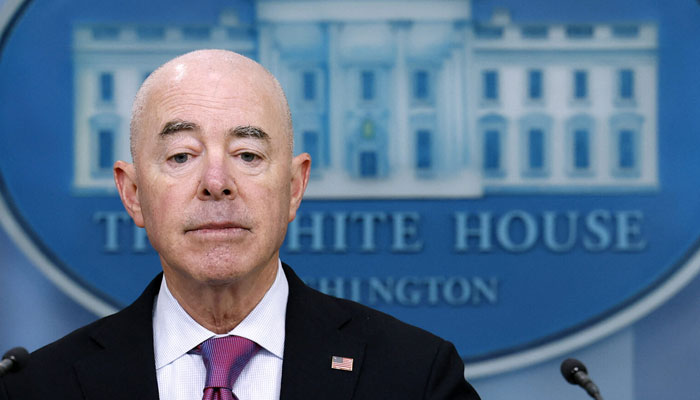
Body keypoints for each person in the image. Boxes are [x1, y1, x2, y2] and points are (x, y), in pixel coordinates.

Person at [0, 49, 480, 399]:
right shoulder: (39, 387)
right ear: (133, 194)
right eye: (182, 155)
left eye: (247, 154)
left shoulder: (413, 377)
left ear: (294, 187)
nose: (216, 182)